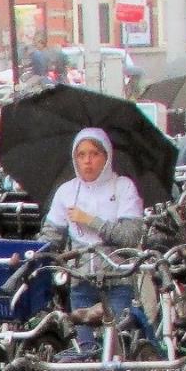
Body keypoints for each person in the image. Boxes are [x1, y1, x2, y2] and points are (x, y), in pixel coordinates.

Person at [41, 126, 151, 352]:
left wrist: (91, 220)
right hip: (82, 283)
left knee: (118, 348)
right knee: (85, 350)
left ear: (106, 156)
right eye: (81, 155)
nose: (87, 161)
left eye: (94, 154)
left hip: (118, 282)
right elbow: (51, 237)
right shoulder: (66, 191)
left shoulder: (123, 187)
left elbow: (130, 236)